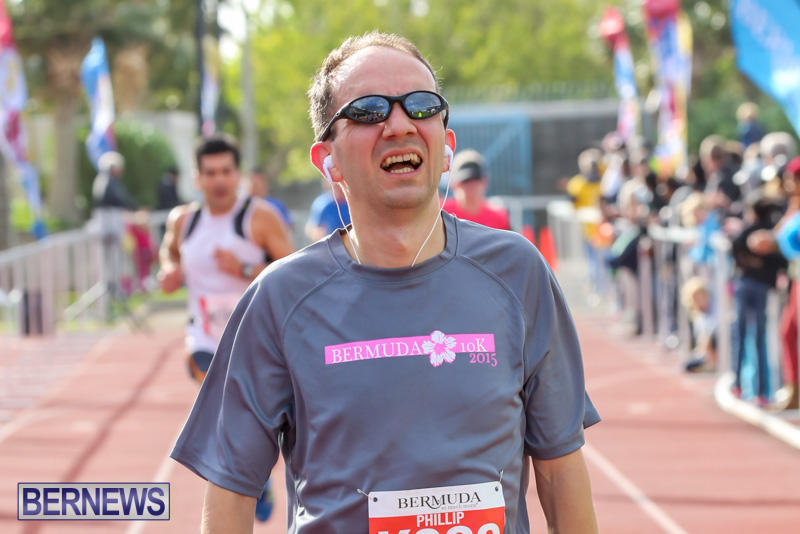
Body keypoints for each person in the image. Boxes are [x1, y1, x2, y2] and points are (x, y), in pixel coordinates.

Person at [171, 32, 600, 533]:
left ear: (447, 146)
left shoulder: (518, 273)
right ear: (327, 160)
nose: (400, 124)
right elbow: (230, 493)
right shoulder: (278, 299)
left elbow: (560, 469)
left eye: (422, 106)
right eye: (369, 110)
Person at [158, 134, 293, 522]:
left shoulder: (258, 217)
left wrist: (244, 268)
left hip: (256, 337)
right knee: (222, 402)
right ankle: (247, 479)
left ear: (238, 174)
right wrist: (169, 271)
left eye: (226, 171)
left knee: (255, 416)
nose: (219, 180)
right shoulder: (183, 221)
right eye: (210, 173)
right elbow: (169, 253)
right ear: (197, 178)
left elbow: (292, 269)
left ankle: (260, 471)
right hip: (204, 337)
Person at [730, 192, 787, 405]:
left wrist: (752, 265)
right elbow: (780, 262)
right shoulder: (772, 234)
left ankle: (739, 384)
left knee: (742, 333)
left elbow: (736, 251)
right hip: (761, 288)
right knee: (759, 338)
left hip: (747, 285)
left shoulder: (748, 232)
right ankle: (761, 392)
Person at [442, 149, 510, 230]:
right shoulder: (440, 213)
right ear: (453, 184)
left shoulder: (499, 218)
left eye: (476, 180)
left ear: (485, 182)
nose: (471, 187)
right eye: (465, 182)